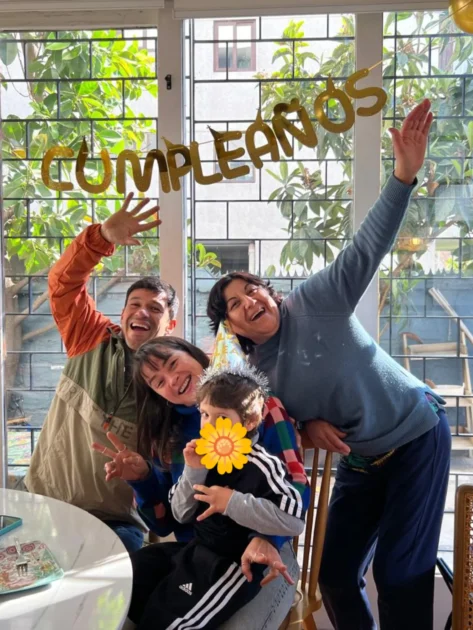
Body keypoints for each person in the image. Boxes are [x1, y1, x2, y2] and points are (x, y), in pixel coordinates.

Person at [206, 99, 451, 630]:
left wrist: (403, 176)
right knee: (335, 576)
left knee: (399, 573)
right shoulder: (255, 380)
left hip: (416, 434)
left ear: (270, 292)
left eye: (253, 289)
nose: (250, 301)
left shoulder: (317, 299)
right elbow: (271, 433)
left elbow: (367, 246)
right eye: (235, 305)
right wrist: (304, 426)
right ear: (232, 328)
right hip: (361, 461)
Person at [93, 335, 310, 630]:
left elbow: (296, 490)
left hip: (262, 554)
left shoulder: (254, 403)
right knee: (119, 595)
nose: (171, 380)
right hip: (195, 551)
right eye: (158, 382)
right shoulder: (169, 432)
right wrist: (143, 479)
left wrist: (266, 536)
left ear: (193, 354)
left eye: (173, 363)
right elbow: (169, 522)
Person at [25, 194, 176, 553]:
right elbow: (63, 284)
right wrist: (101, 238)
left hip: (116, 522)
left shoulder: (174, 384)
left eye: (155, 309)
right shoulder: (89, 336)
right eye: (134, 304)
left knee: (119, 583)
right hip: (43, 504)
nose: (142, 312)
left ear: (170, 325)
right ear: (122, 315)